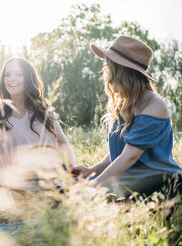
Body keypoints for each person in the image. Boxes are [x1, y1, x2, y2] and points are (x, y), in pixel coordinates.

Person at [70, 35, 181, 198]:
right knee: (64, 191)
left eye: (108, 69)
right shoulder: (124, 103)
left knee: (77, 199)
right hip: (128, 185)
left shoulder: (154, 105)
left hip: (161, 187)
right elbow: (117, 153)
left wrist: (92, 188)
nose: (105, 76)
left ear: (122, 72)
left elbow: (128, 157)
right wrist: (91, 171)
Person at [0, 57, 76, 168]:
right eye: (7, 75)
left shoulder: (44, 111)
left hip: (50, 181)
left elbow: (63, 144)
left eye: (18, 74)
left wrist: (72, 171)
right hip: (16, 183)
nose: (12, 79)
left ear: (28, 77)